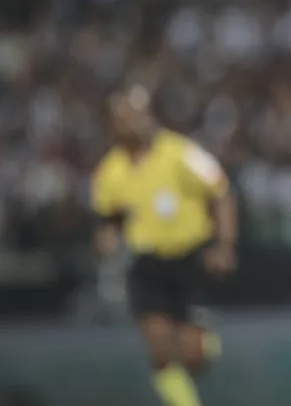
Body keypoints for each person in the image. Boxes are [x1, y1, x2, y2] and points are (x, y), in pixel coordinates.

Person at [92, 85, 237, 406]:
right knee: (159, 346)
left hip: (189, 258)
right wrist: (107, 235)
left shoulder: (180, 152)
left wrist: (224, 244)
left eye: (138, 115)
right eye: (125, 117)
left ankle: (202, 345)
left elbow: (221, 192)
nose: (134, 123)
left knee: (191, 353)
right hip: (147, 263)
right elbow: (109, 215)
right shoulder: (111, 169)